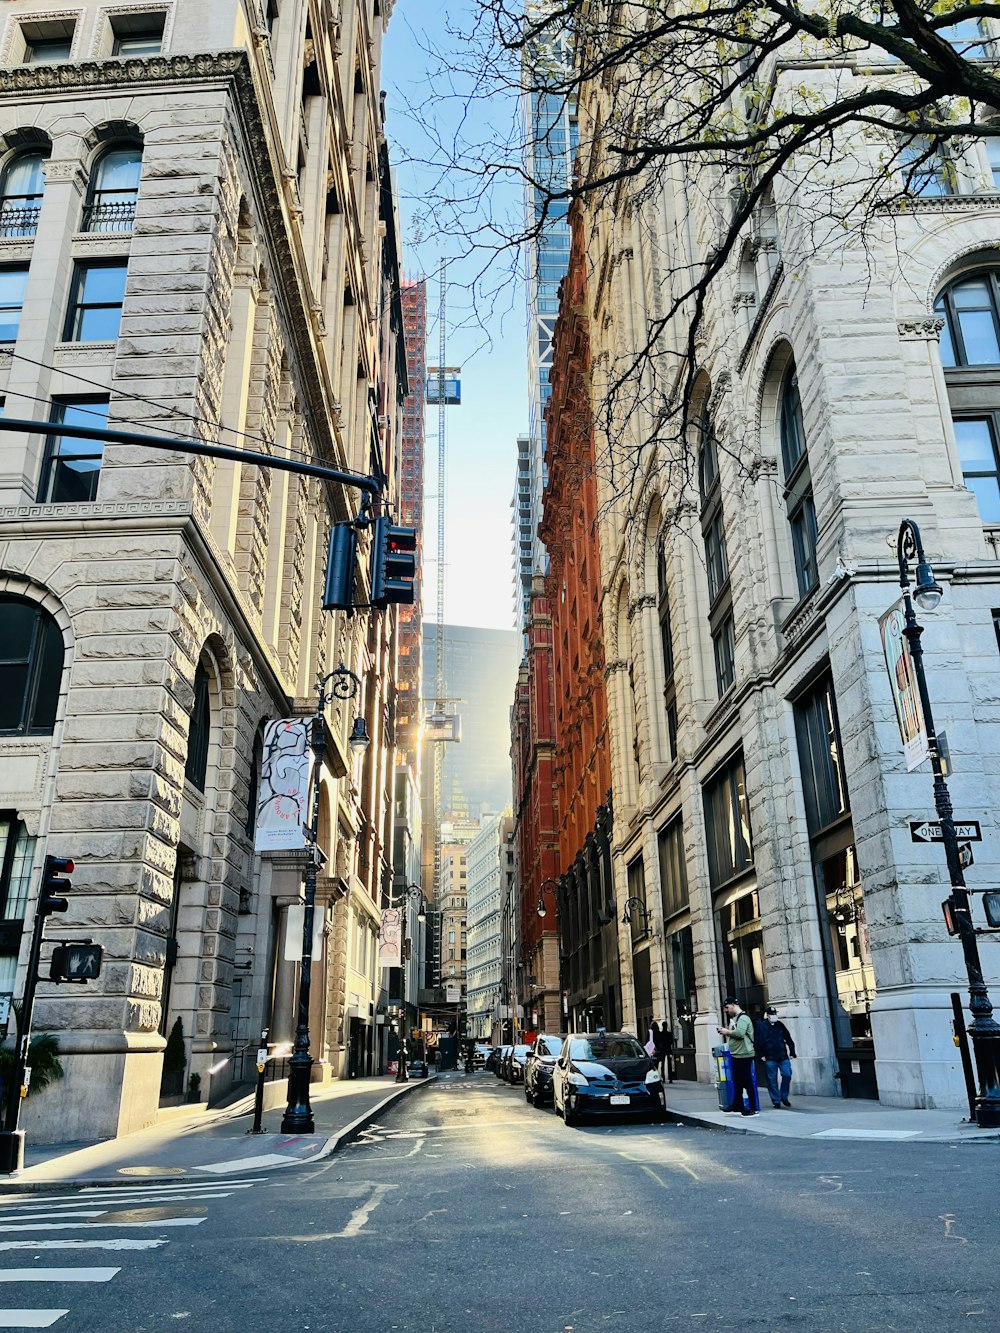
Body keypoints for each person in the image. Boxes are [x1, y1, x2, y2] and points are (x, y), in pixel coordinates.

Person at [717, 996, 758, 1116]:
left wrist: (726, 1031)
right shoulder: (736, 1018)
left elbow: (740, 1033)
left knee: (747, 1081)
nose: (726, 1010)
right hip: (737, 1054)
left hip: (745, 1054)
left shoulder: (743, 1018)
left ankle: (752, 1107)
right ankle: (737, 1105)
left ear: (733, 1005)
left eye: (727, 1007)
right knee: (738, 1081)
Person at [757, 1005, 796, 1108]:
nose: (774, 1016)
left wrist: (792, 1052)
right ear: (768, 1016)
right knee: (772, 1080)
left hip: (783, 1056)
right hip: (770, 1057)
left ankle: (784, 1096)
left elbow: (788, 1039)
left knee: (787, 1075)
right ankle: (776, 1100)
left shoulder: (780, 1025)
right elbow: (758, 1042)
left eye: (775, 1014)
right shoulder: (763, 1026)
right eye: (772, 1014)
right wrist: (761, 1055)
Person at [652, 1019, 674, 1083]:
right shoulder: (669, 1034)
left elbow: (659, 1042)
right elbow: (671, 1042)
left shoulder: (661, 1034)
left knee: (663, 1064)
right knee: (669, 1064)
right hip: (668, 1050)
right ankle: (670, 1078)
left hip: (662, 1050)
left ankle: (663, 1077)